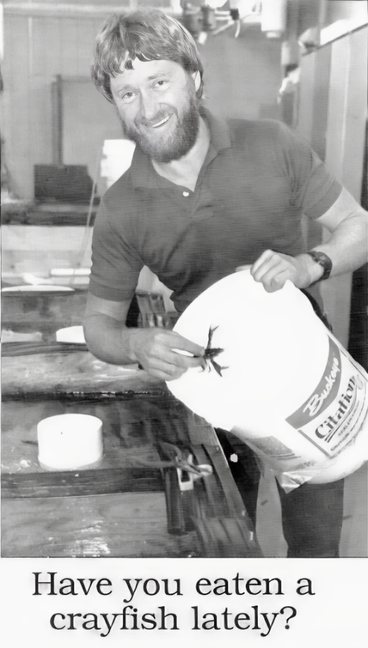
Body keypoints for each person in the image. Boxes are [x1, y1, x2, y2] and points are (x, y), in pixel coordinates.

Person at [84, 9, 368, 557]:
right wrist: (136, 343)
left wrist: (309, 264)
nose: (147, 108)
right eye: (126, 93)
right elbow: (98, 324)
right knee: (224, 545)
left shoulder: (272, 146)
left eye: (159, 81)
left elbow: (358, 227)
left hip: (301, 366)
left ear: (195, 77)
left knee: (316, 550)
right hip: (208, 386)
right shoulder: (122, 209)